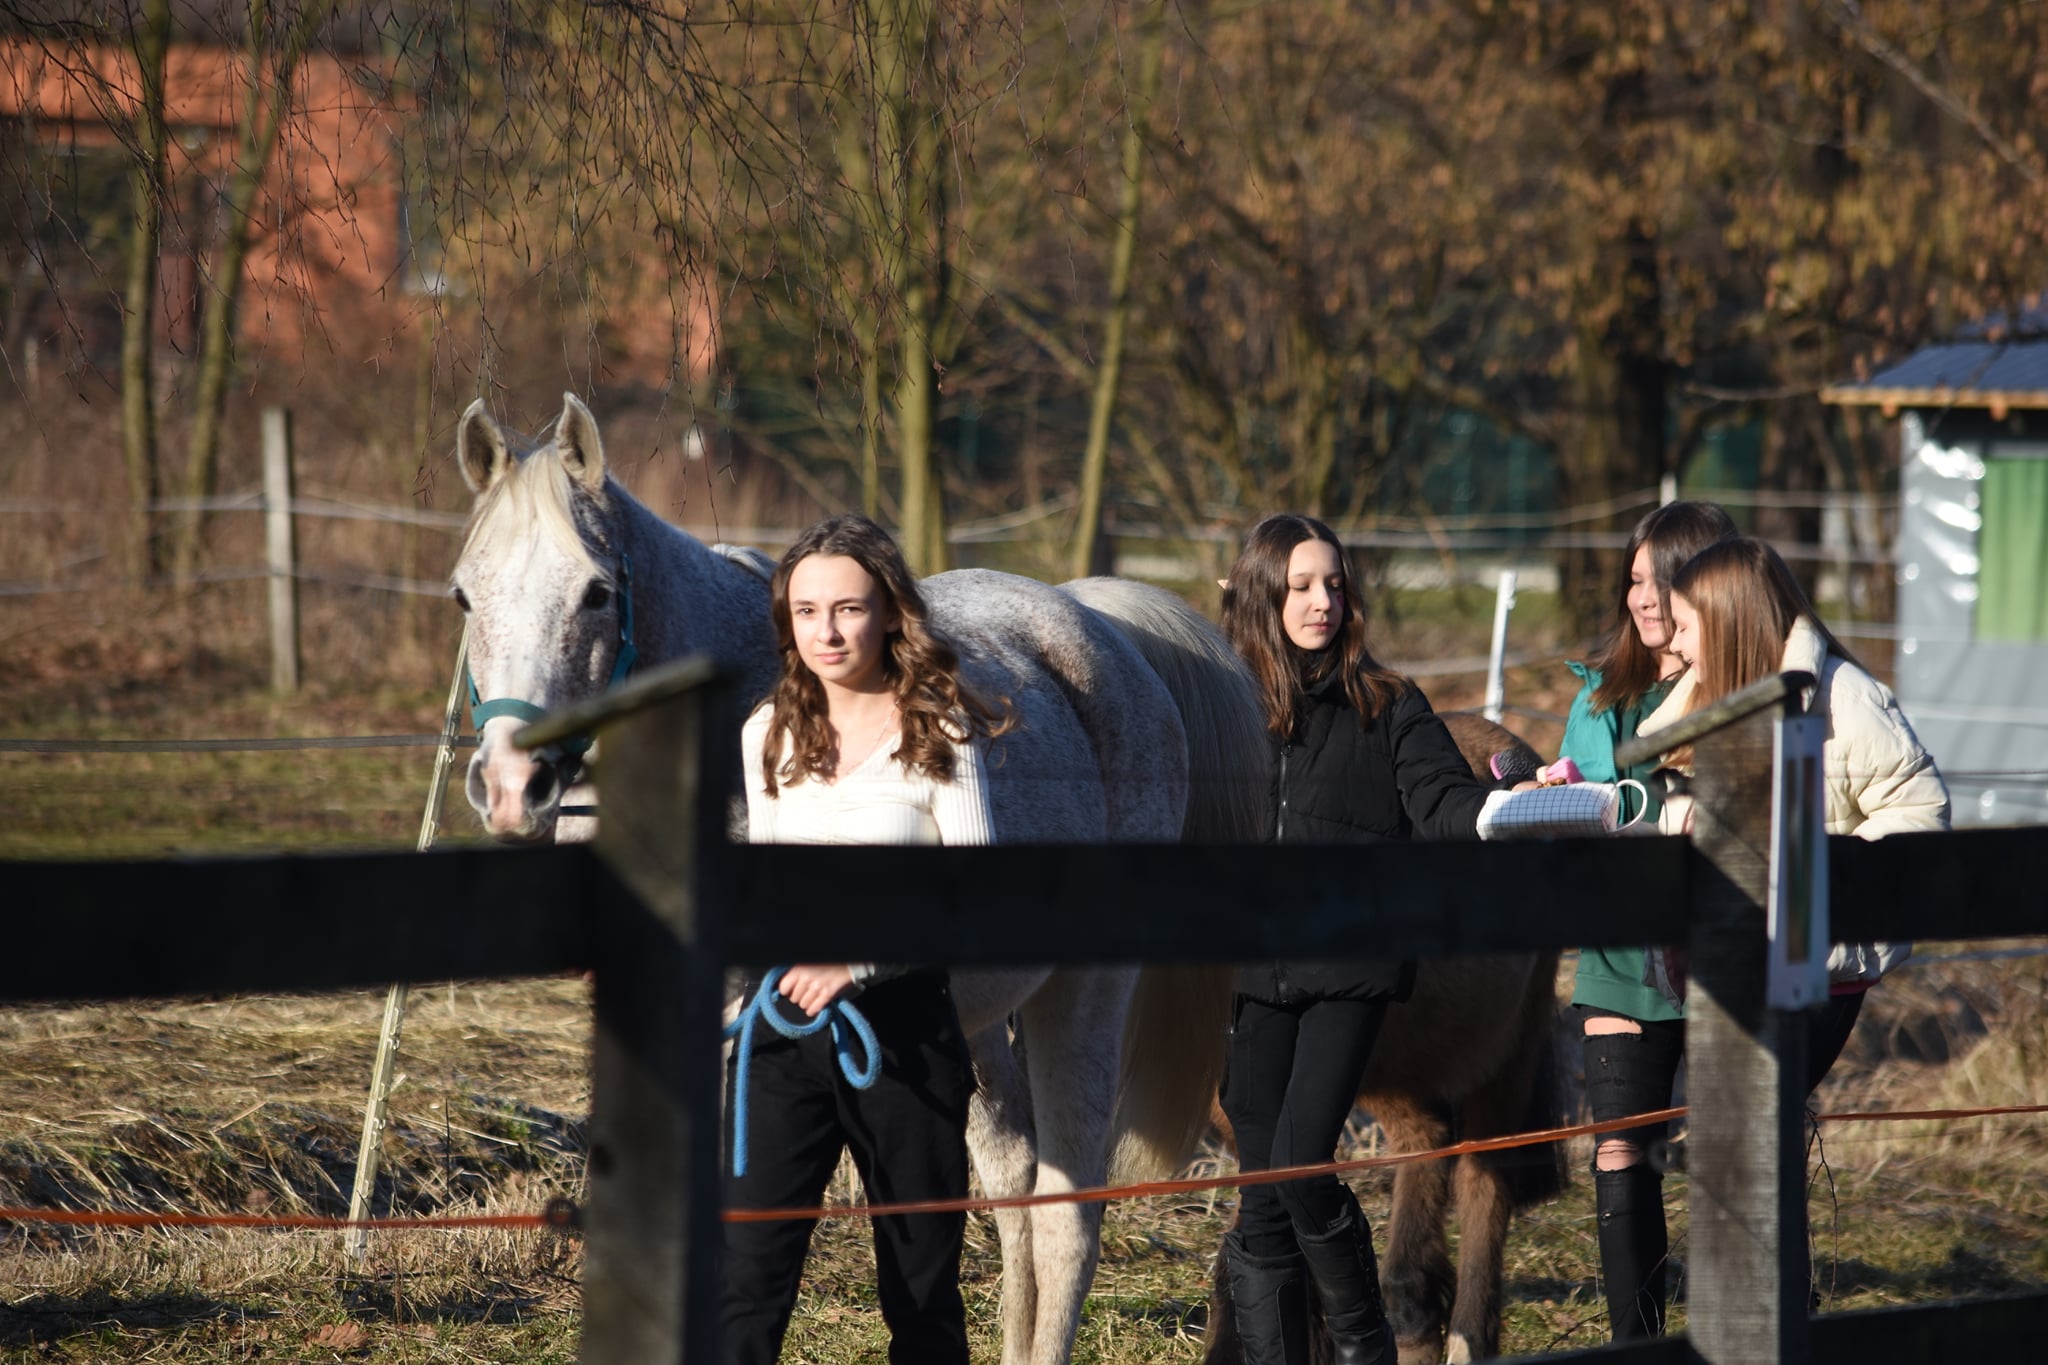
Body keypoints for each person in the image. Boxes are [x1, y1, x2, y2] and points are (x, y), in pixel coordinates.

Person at [1217, 513, 1508, 1365]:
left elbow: (1443, 797)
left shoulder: (1389, 703)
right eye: (1303, 586)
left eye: (1335, 585)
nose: (1323, 602)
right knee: (1262, 1191)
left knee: (1301, 1160)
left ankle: (1363, 1346)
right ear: (1263, 594)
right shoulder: (1229, 709)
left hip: (1348, 963)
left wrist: (1503, 808)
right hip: (1249, 971)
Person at [722, 513, 1012, 1365]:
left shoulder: (940, 731)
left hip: (904, 1037)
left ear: (889, 612)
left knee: (920, 1291)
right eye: (807, 611)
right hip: (784, 1029)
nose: (828, 630)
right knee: (744, 1277)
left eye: (848, 608)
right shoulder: (767, 732)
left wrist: (857, 962)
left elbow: (976, 895)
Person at [1554, 500, 1737, 1342]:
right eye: (1634, 578)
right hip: (1623, 952)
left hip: (1727, 946)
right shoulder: (1601, 698)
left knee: (1739, 1152)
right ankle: (1637, 1344)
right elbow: (1584, 809)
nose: (1644, 597)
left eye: (1663, 578)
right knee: (1621, 1147)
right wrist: (1556, 797)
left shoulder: (1746, 693)